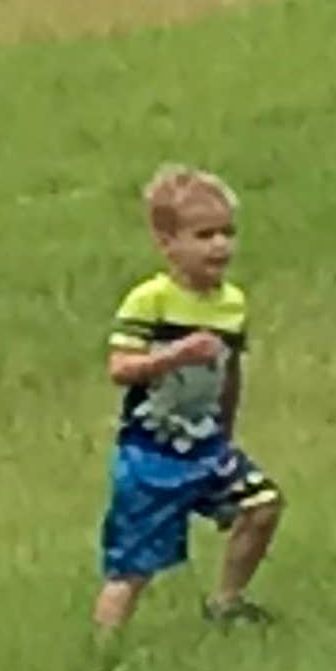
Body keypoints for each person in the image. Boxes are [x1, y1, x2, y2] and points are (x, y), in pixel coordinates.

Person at [93, 164, 283, 645]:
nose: (220, 246)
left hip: (205, 444)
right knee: (133, 566)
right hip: (152, 453)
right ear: (167, 242)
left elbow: (230, 369)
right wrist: (175, 354)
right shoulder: (151, 301)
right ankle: (104, 646)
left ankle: (226, 602)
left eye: (227, 233)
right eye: (204, 235)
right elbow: (120, 367)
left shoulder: (231, 303)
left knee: (262, 506)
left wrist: (227, 427)